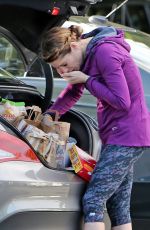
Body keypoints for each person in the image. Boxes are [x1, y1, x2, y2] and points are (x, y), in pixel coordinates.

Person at [40, 24, 150, 230]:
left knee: (93, 200)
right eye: (57, 69)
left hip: (127, 135)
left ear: (74, 46)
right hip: (121, 136)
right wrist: (49, 116)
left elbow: (121, 101)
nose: (62, 71)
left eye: (63, 64)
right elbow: (73, 93)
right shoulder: (87, 55)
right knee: (118, 204)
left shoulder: (105, 52)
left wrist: (87, 80)